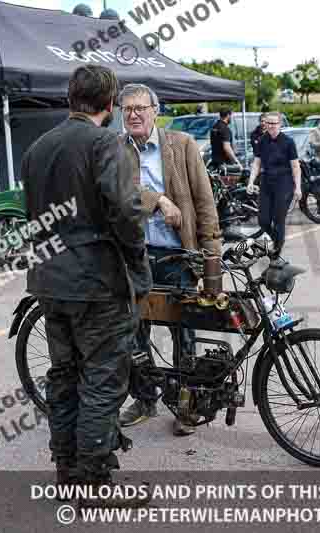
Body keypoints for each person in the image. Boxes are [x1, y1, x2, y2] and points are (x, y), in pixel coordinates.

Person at [21, 65, 151, 507]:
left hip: (49, 282)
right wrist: (136, 264)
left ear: (71, 99)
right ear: (110, 104)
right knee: (101, 380)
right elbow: (127, 213)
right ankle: (92, 484)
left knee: (64, 376)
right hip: (95, 284)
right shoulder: (105, 143)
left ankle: (67, 471)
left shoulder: (38, 147)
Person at [117, 83, 222, 437]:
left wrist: (211, 256)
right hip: (135, 257)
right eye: (127, 109)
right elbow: (117, 193)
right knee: (135, 332)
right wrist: (158, 200)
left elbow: (205, 203)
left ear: (154, 111)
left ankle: (185, 405)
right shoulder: (115, 151)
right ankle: (145, 398)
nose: (133, 114)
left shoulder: (181, 144)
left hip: (177, 254)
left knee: (183, 332)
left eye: (140, 108)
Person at [246, 112, 301, 258]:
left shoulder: (288, 142)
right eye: (267, 123)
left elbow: (295, 166)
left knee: (278, 218)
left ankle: (278, 247)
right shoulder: (262, 140)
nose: (270, 126)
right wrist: (251, 181)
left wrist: (298, 187)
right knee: (263, 220)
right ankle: (277, 240)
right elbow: (257, 163)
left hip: (284, 183)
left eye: (273, 123)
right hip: (266, 182)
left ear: (280, 124)